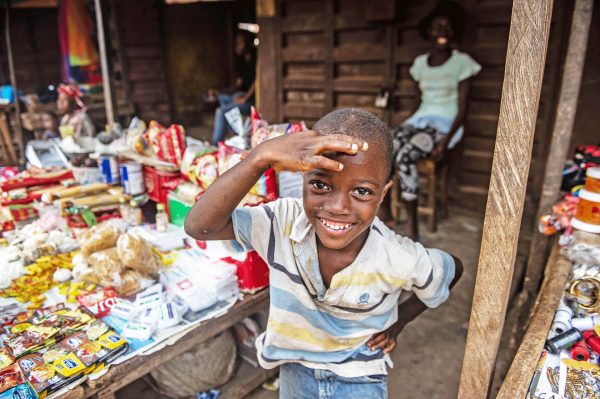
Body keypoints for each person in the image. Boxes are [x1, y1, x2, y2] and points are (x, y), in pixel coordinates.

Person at [185, 108, 463, 399]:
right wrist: (261, 156)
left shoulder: (395, 255)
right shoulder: (282, 223)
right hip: (295, 367)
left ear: (383, 194)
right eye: (320, 184)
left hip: (360, 376)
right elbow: (199, 226)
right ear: (301, 179)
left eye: (363, 192)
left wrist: (400, 321)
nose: (339, 207)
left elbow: (452, 268)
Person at [379, 1, 481, 240]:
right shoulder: (420, 65)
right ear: (429, 31)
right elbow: (419, 103)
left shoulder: (462, 63)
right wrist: (406, 126)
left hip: (444, 125)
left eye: (447, 27)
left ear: (454, 31)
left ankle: (412, 224)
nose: (442, 32)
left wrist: (445, 142)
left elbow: (462, 109)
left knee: (405, 157)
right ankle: (384, 209)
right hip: (420, 120)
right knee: (386, 145)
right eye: (437, 27)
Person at [210, 31, 256, 145]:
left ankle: (214, 146)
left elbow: (258, 81)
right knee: (222, 98)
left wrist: (245, 98)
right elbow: (237, 85)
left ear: (248, 43)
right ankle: (231, 130)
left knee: (221, 111)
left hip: (252, 101)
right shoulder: (241, 61)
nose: (238, 45)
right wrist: (219, 92)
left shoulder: (257, 58)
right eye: (237, 42)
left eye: (241, 42)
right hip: (241, 96)